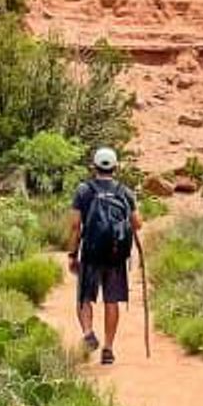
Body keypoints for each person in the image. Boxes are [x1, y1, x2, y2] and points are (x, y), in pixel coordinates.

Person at [67, 146, 141, 365]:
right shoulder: (125, 192)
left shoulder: (84, 190)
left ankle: (89, 333)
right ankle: (108, 348)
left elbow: (74, 226)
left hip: (91, 254)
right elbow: (137, 223)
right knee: (112, 301)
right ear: (116, 167)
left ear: (94, 167)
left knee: (84, 297)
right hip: (116, 257)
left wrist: (72, 254)